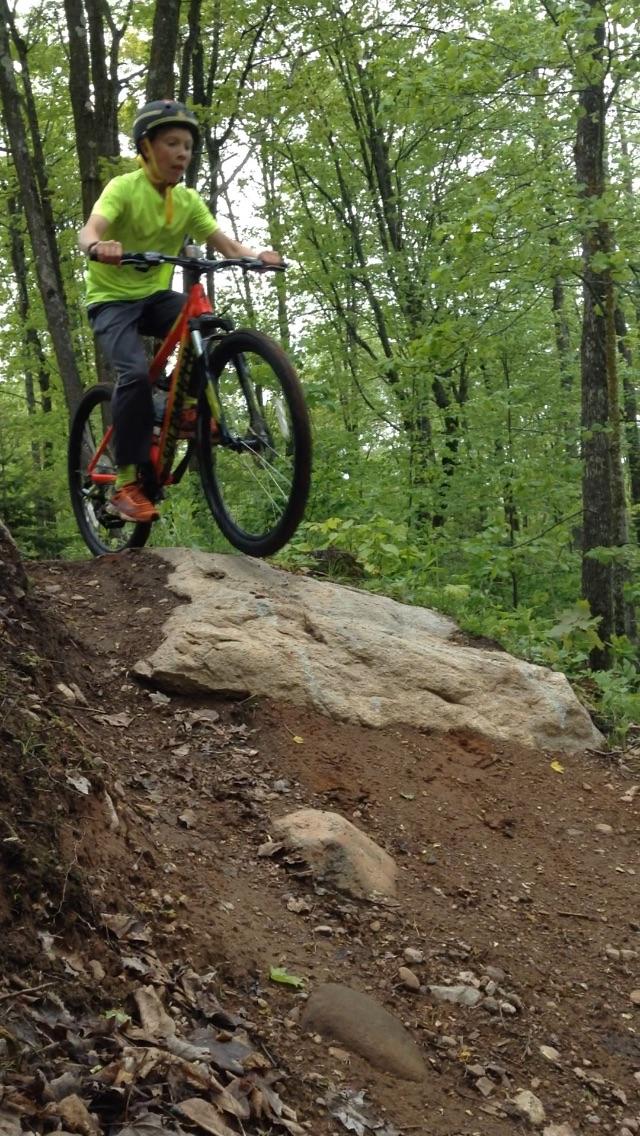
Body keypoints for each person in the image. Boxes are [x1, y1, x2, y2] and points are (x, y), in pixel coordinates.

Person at [78, 99, 283, 523]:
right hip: (112, 301)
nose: (182, 153)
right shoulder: (123, 188)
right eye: (172, 143)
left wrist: (256, 255)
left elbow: (225, 245)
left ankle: (178, 402)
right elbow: (90, 229)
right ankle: (126, 482)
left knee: (206, 324)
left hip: (154, 298)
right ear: (147, 147)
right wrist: (99, 246)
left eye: (187, 146)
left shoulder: (187, 201)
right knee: (133, 373)